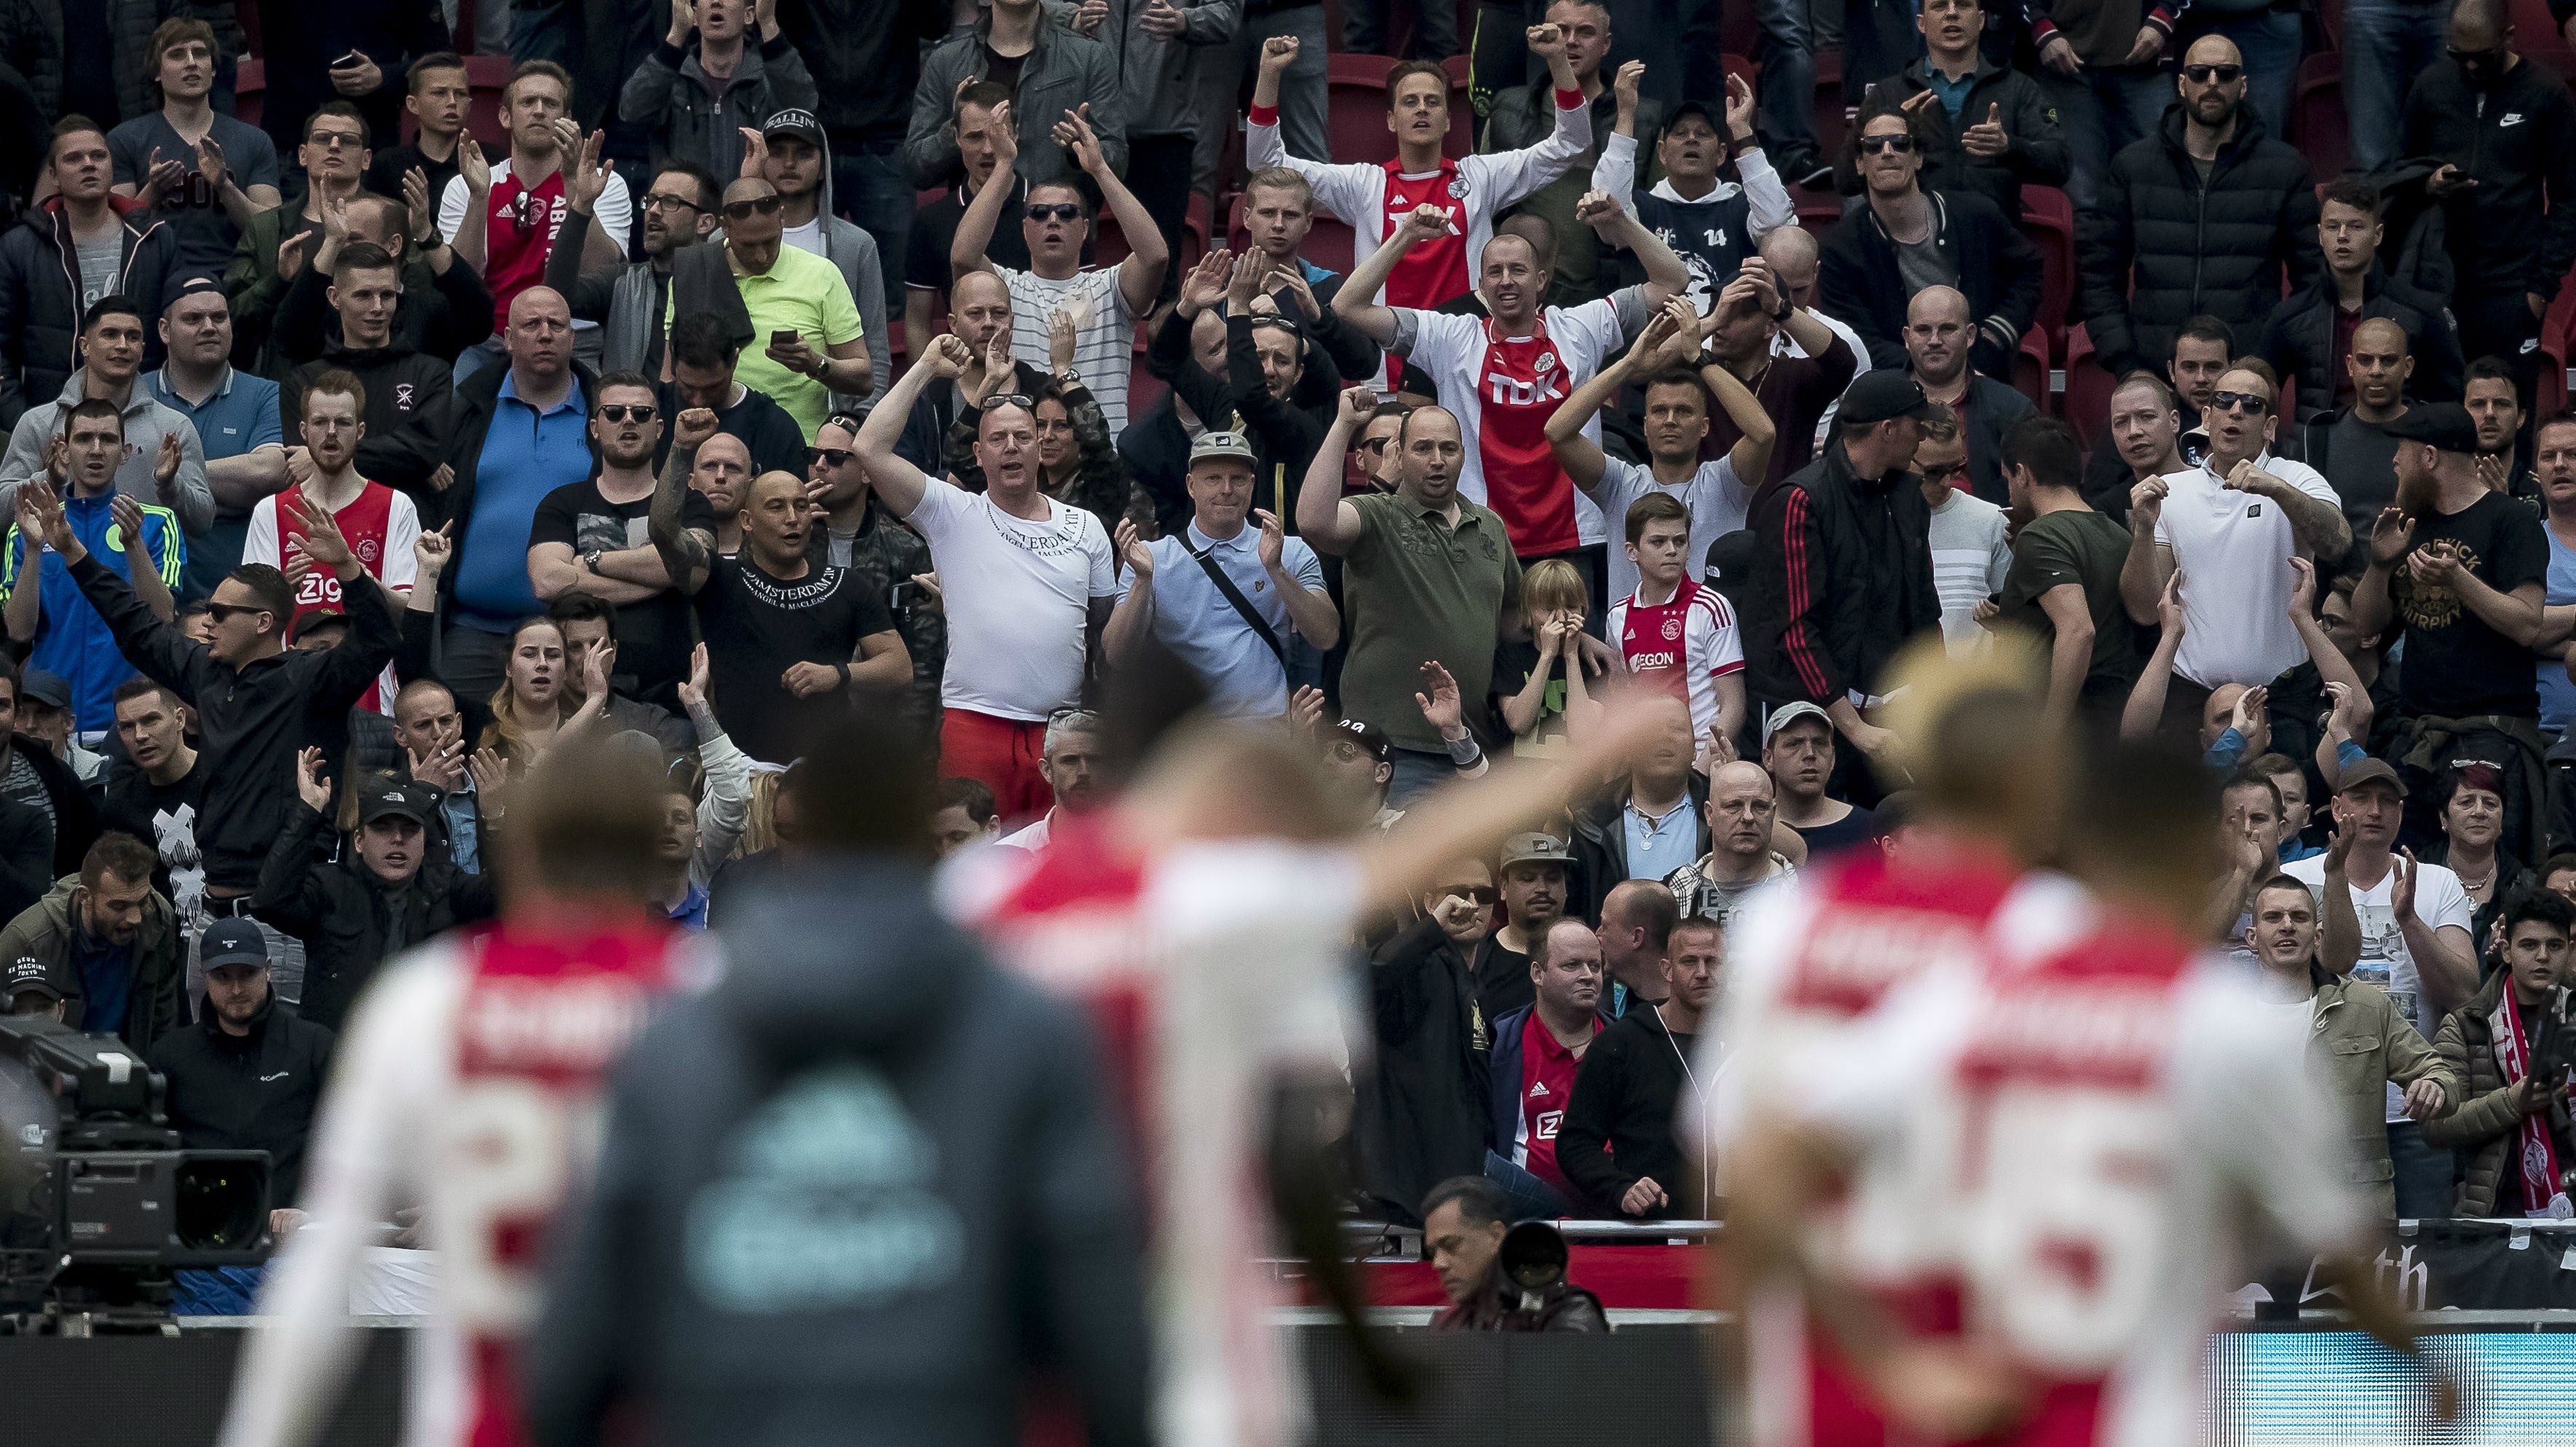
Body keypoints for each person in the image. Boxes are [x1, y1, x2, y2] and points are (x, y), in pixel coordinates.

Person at [1725, 737, 2454, 1447]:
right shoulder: (2223, 1027)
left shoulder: (1970, 991)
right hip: (2132, 1415)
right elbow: (2347, 1256)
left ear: (2080, 840)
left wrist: (1890, 1366)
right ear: (2195, 846)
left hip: (1987, 1407)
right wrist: (2431, 1370)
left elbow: (1763, 1173)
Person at [218, 742, 713, 1447]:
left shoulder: (431, 1000)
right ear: (650, 849)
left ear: (526, 851)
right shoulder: (709, 998)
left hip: (482, 1420)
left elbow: (320, 1272)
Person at [39, 469, 398, 911]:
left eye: (221, 613)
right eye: (209, 610)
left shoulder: (313, 679)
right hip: (212, 902)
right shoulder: (205, 671)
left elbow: (380, 639)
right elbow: (133, 622)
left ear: (264, 623)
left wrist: (348, 569)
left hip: (290, 899)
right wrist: (74, 551)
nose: (208, 621)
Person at [1335, 191, 1688, 564]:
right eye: (1494, 272)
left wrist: (1621, 222)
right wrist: (1405, 235)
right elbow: (1348, 305)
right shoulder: (1450, 337)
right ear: (1481, 285)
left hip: (1576, 536)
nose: (1506, 281)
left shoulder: (1582, 326)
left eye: (1517, 270)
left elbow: (1673, 279)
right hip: (1481, 538)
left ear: (1540, 280)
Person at [856, 339, 1116, 814]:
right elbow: (869, 449)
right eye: (998, 439)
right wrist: (926, 368)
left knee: (1054, 863)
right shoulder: (953, 512)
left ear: (1041, 445)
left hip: (1060, 736)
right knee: (971, 864)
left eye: (1023, 436)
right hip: (974, 724)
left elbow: (1105, 633)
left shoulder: (1087, 527)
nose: (1011, 447)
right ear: (978, 454)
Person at [357, 288, 599, 705]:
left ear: (573, 338)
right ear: (507, 339)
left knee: (566, 763)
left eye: (556, 325)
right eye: (531, 325)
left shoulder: (606, 411)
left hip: (569, 636)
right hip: (473, 631)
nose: (545, 334)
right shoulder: (467, 407)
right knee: (451, 742)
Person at [1246, 28, 1589, 316]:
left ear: (1448, 119)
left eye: (1433, 101)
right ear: (1392, 120)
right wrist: (1268, 74)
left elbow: (1570, 144)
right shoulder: (1364, 185)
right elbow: (1265, 164)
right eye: (1410, 102)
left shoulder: (1481, 176)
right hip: (1385, 360)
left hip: (1465, 351)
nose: (1422, 109)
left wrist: (1559, 60)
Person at [1295, 387, 1522, 802]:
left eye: (1449, 448)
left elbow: (1513, 622)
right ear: (1398, 454)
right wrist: (1345, 424)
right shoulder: (1377, 515)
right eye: (1423, 448)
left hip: (1468, 746)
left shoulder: (1489, 525)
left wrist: (1580, 638)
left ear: (1464, 455)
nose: (1437, 459)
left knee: (1466, 870)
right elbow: (1313, 521)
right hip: (1389, 750)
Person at [647, 407, 909, 764]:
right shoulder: (719, 579)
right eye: (776, 507)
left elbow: (899, 668)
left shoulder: (847, 585)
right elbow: (663, 531)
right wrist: (679, 450)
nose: (792, 518)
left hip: (822, 774)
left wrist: (838, 674)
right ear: (748, 521)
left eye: (801, 506)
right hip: (741, 771)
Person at [2283, 758, 2478, 1218]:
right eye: (2361, 798)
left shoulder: (2437, 880)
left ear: (2401, 811)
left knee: (2424, 1262)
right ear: (2335, 806)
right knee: (2331, 1262)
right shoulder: (2300, 880)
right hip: (2326, 1110)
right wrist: (2333, 881)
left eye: (2388, 800)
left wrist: (2408, 919)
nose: (2375, 810)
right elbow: (2322, 969)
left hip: (2416, 1105)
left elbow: (2465, 992)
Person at [2076, 35, 2321, 381]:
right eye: (2199, 72)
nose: (2212, 83)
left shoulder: (2285, 169)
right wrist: (2125, 362)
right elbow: (2100, 274)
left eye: (2226, 73)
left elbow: (2312, 281)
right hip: (2152, 369)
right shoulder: (2133, 167)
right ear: (2181, 83)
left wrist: (2269, 361)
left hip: (2246, 372)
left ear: (2243, 85)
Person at [1740, 372, 1942, 776]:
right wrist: (1855, 729)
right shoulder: (1802, 501)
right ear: (1887, 429)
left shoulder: (1908, 499)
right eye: (1917, 426)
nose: (1922, 439)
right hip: (1804, 712)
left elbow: (1923, 612)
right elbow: (1796, 629)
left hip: (1885, 707)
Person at [2117, 361, 2347, 711]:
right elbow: (2146, 610)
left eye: (2251, 404)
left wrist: (2277, 490)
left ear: (2269, 427)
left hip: (2282, 695)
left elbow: (2338, 543)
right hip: (2191, 692)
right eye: (2224, 401)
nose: (2236, 411)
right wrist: (2144, 530)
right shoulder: (2172, 492)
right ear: (2207, 418)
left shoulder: (2297, 478)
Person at [2243, 873, 2457, 1221]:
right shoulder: (2224, 1018)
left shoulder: (2366, 1006)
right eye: (2273, 918)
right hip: (2257, 1218)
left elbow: (2438, 1072)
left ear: (2318, 933)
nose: (2287, 927)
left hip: (2351, 1218)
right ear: (2252, 937)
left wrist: (2433, 1087)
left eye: (2299, 917)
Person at [949, 105, 1162, 439]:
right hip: (1027, 457)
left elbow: (1155, 257)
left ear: (1084, 229)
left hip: (1102, 460)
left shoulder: (1109, 287)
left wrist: (1100, 169)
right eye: (1038, 213)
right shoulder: (1006, 289)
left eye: (1066, 212)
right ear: (1024, 229)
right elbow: (963, 258)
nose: (1052, 220)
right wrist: (1004, 165)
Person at [2352, 403, 2550, 761]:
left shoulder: (2512, 520)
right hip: (2417, 732)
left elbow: (2527, 624)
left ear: (2429, 457)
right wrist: (2379, 565)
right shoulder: (2411, 525)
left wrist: (2457, 578)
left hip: (2492, 734)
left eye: (2401, 451)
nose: (2394, 462)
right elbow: (2366, 627)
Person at [2406, 0, 2576, 413]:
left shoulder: (2546, 93)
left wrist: (2540, 289)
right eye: (2459, 57)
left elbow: (2570, 198)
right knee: (2444, 413)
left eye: (2481, 57)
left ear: (2509, 36)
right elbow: (2398, 172)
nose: (2470, 68)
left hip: (2512, 288)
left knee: (2507, 414)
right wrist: (2427, 182)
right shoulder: (2431, 86)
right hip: (2441, 281)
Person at [1548, 299, 1772, 604]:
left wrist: (1699, 358)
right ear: (1645, 425)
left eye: (1683, 411)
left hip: (1710, 648)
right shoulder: (1620, 485)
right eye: (1659, 411)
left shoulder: (1725, 483)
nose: (1670, 420)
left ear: (1704, 426)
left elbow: (1763, 434)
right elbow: (1557, 432)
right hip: (1633, 649)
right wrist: (1628, 365)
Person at [1105, 432, 1337, 722]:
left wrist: (1276, 570)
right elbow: (1117, 654)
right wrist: (1142, 581)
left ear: (1251, 485)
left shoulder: (1289, 550)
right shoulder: (1151, 558)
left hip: (1264, 730)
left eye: (1238, 479)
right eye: (1213, 479)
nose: (1226, 489)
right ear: (1191, 485)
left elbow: (1326, 635)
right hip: (1182, 735)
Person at [1815, 102, 2043, 383]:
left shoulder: (1977, 214)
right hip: (1896, 389)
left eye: (1900, 143)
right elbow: (1857, 337)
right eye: (1873, 146)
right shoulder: (1841, 248)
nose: (1888, 152)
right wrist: (1928, 372)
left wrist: (1994, 335)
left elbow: (2029, 271)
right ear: (1861, 164)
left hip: (1984, 380)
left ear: (1918, 157)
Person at [3, 400, 186, 735]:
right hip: (48, 719)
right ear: (64, 451)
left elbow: (161, 618)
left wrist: (134, 545)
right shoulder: (29, 526)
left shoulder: (157, 523)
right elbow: (18, 631)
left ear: (126, 451)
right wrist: (32, 547)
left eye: (108, 439)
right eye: (84, 439)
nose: (96, 450)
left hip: (130, 720)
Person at [438, 61, 635, 362]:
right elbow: (461, 281)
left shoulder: (603, 181)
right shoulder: (468, 184)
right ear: (506, 116)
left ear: (567, 119)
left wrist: (574, 187)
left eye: (551, 103)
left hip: (574, 341)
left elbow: (602, 270)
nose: (539, 110)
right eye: (528, 102)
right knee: (458, 405)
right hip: (490, 342)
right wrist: (480, 198)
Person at [527, 373, 703, 708]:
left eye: (641, 414)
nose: (628, 421)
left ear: (660, 427)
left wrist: (592, 561)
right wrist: (662, 580)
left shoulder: (689, 502)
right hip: (574, 693)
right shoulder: (561, 502)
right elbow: (547, 582)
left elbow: (689, 567)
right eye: (613, 413)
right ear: (595, 428)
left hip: (670, 691)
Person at [242, 370, 417, 707]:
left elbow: (409, 612)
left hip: (373, 696)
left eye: (343, 423)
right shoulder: (270, 511)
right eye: (321, 422)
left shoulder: (395, 506)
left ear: (361, 431)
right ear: (304, 431)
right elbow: (251, 621)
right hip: (290, 695)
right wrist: (282, 590)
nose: (332, 433)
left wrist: (354, 572)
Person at [0, 119, 186, 428]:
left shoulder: (155, 238)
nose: (89, 165)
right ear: (53, 176)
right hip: (48, 418)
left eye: (99, 156)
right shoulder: (19, 246)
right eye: (74, 159)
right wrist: (26, 423)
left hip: (141, 419)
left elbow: (177, 336)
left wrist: (163, 417)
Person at [143, 916, 336, 1209]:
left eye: (247, 974)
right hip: (199, 1230)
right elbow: (149, 1150)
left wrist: (310, 1213)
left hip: (288, 1231)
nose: (236, 989)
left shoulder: (313, 1047)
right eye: (222, 976)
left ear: (268, 970)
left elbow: (346, 1144)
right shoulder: (170, 1056)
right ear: (204, 975)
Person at [1482, 4, 1654, 310]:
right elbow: (1480, 206)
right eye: (1561, 31)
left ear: (1607, 43)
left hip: (1611, 295)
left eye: (1586, 32)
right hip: (1522, 301)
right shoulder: (1508, 110)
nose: (1571, 41)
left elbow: (1659, 217)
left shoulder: (1644, 117)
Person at [1, 294, 212, 536]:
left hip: (141, 571)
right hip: (58, 569)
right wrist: (51, 479)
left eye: (133, 337)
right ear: (85, 346)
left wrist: (169, 486)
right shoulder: (39, 422)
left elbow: (202, 522)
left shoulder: (173, 427)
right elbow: (2, 515)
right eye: (110, 334)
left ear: (141, 351)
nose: (123, 345)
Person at [2262, 175, 2464, 428]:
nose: (2343, 236)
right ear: (2320, 235)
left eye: (2356, 226)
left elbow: (2449, 399)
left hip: (2397, 454)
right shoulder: (2290, 315)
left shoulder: (2421, 311)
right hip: (2313, 455)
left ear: (2378, 234)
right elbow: (2259, 393)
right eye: (2333, 227)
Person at [2424, 885, 2576, 1216]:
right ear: (2506, 950)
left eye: (2554, 946)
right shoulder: (2466, 1026)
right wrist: (2511, 1102)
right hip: (2495, 1211)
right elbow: (2436, 1127)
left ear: (2570, 949)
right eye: (2529, 945)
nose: (2542, 957)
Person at [1557, 911, 1719, 1217]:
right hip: (1651, 1237)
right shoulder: (1620, 1044)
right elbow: (1575, 1144)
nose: (1702, 972)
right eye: (1689, 961)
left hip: (1733, 1242)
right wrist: (1621, 1188)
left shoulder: (1751, 1046)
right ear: (1667, 969)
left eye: (1712, 961)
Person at [1594, 79, 1794, 317]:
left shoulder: (1739, 206)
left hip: (1724, 345)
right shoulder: (1641, 208)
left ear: (1721, 155)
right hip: (1652, 348)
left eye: (1703, 133)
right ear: (1662, 152)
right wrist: (1626, 115)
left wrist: (1741, 130)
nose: (1691, 139)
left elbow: (1777, 222)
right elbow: (1606, 210)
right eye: (1680, 133)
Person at [802, 413, 944, 734]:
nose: (820, 465)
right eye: (813, 455)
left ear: (867, 471)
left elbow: (923, 660)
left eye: (836, 458)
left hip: (878, 730)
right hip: (797, 719)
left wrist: (910, 748)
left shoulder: (906, 550)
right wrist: (787, 534)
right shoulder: (789, 537)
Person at [107, 18, 281, 280]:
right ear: (157, 72)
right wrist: (153, 189)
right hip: (154, 277)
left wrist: (226, 187)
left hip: (233, 279)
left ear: (212, 69)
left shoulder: (254, 140)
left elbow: (271, 232)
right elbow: (109, 232)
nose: (191, 62)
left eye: (200, 54)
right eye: (177, 55)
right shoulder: (125, 138)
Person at [1868, 0, 2070, 223]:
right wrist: (1897, 137)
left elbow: (2059, 164)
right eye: (1940, 6)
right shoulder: (1888, 93)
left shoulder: (2019, 89)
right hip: (1912, 243)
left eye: (1963, 5)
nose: (1952, 14)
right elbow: (1847, 178)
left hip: (1992, 243)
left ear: (1981, 20)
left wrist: (2010, 146)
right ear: (1921, 23)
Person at [146, 280, 285, 600]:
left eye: (219, 318)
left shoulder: (265, 395)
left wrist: (167, 479)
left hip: (236, 594)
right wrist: (228, 492)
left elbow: (269, 474)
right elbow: (115, 483)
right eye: (193, 319)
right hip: (147, 589)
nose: (209, 327)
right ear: (165, 331)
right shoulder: (135, 395)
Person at [1995, 413, 2139, 724]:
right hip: (2111, 714)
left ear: (2021, 474)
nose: (2008, 489)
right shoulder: (2118, 535)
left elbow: (2078, 630)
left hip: (2063, 722)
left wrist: (2051, 728)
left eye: (2007, 478)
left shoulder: (2040, 535)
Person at [902, 0, 1131, 191]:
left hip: (1055, 221)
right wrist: (957, 129)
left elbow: (1118, 162)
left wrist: (1082, 150)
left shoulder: (1091, 57)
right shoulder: (946, 61)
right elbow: (916, 169)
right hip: (973, 225)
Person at [745, 108, 889, 408]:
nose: (788, 163)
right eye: (776, 152)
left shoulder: (855, 246)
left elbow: (874, 355)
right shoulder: (726, 242)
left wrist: (857, 421)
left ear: (824, 166)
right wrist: (747, 191)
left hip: (828, 423)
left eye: (803, 153)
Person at [221, 103, 377, 373]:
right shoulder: (267, 227)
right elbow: (231, 318)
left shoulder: (387, 219)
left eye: (348, 140)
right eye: (323, 138)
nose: (335, 146)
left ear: (366, 159)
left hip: (369, 369)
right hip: (284, 375)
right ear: (303, 155)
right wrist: (278, 281)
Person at [270, 187, 494, 373]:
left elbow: (479, 320)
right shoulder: (330, 309)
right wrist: (331, 243)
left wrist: (427, 235)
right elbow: (289, 337)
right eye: (339, 238)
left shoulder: (427, 308)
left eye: (352, 239)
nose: (342, 249)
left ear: (393, 246)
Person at [0, 830, 183, 1052]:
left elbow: (163, 1013)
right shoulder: (28, 939)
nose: (135, 918)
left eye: (141, 901)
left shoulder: (157, 918)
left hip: (127, 1067)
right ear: (85, 896)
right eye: (119, 906)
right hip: (49, 1072)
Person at [545, 156, 719, 382]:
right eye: (652, 200)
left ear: (704, 223)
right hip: (628, 415)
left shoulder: (722, 284)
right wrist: (582, 206)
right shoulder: (622, 282)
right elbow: (557, 296)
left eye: (671, 202)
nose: (654, 211)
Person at [1702, 252, 1858, 488]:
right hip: (1706, 519)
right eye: (1720, 309)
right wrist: (1712, 321)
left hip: (1780, 518)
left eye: (1738, 314)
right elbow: (1650, 357)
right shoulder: (1700, 371)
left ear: (1770, 326)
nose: (1723, 324)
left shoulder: (1795, 379)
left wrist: (1778, 307)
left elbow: (1842, 361)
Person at [620, 0, 817, 181]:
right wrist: (677, 34)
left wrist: (768, 23)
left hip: (748, 209)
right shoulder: (672, 79)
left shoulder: (768, 80)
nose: (716, 2)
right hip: (685, 212)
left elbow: (804, 108)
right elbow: (632, 110)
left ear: (748, 16)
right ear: (695, 16)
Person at [277, 242, 451, 447]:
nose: (378, 307)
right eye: (364, 296)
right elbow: (301, 461)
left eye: (387, 295)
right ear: (335, 298)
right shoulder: (304, 381)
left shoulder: (430, 374)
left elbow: (424, 451)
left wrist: (330, 451)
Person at [901, 81, 1031, 353]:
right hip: (962, 376)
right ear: (956, 136)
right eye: (975, 137)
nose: (988, 149)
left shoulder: (1052, 211)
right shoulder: (932, 221)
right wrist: (928, 390)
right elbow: (917, 323)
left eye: (998, 135)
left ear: (1016, 134)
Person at [1486, 916, 1605, 1211]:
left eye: (1595, 965)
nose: (1588, 975)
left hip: (1616, 1216)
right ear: (1538, 974)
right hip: (1528, 1220)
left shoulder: (1629, 1046)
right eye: (1572, 965)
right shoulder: (1499, 1046)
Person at [1607, 491, 1744, 745]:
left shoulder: (1711, 607)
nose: (1672, 550)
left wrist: (1701, 773)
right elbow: (1622, 699)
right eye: (1658, 542)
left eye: (1679, 541)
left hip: (1700, 757)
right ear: (1631, 551)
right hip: (1644, 758)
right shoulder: (1618, 616)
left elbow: (1733, 706)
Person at [1904, 286, 2034, 507]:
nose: (1934, 340)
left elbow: (2037, 492)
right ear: (1907, 338)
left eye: (1947, 329)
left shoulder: (2013, 409)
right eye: (1923, 330)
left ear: (1970, 335)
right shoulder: (1876, 407)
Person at [1421, 1175, 1607, 1329]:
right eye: (1432, 1252)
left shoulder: (1567, 1315)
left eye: (1451, 1244)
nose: (1438, 1263)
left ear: (1496, 1235)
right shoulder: (1446, 1324)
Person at [100, 676, 205, 925]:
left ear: (179, 719)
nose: (140, 735)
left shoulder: (226, 781)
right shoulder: (120, 808)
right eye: (127, 726)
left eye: (150, 721)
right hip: (160, 946)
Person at [2299, 317, 2417, 534]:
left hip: (2418, 565)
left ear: (2407, 366)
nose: (2376, 371)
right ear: (2350, 366)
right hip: (2340, 566)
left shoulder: (2434, 433)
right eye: (2365, 360)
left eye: (2388, 360)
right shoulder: (2319, 436)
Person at [1913, 406, 2013, 661]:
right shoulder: (1876, 521)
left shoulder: (1992, 520)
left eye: (1956, 468)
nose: (1948, 482)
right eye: (1933, 473)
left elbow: (2013, 621)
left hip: (1971, 691)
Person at [1664, 758, 1795, 928]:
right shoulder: (1672, 892)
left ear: (1773, 813)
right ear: (1709, 814)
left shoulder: (1810, 893)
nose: (1748, 817)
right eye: (1734, 805)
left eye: (1760, 806)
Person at [1761, 701, 1875, 858]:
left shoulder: (1868, 828)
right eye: (1794, 744)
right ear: (1769, 758)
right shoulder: (1745, 831)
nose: (1810, 754)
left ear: (1833, 758)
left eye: (1820, 744)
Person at [364, 52, 470, 205]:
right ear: (413, 104)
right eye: (440, 93)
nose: (452, 102)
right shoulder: (386, 166)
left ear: (470, 104)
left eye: (461, 93)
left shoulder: (491, 162)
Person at [992, 708, 1105, 849]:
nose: (1084, 771)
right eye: (1070, 760)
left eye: (1094, 761)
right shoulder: (1012, 854)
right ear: (1047, 770)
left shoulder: (1137, 853)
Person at [931, 775, 1003, 857]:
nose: (944, 853)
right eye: (936, 841)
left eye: (957, 837)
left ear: (993, 829)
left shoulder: (1018, 865)